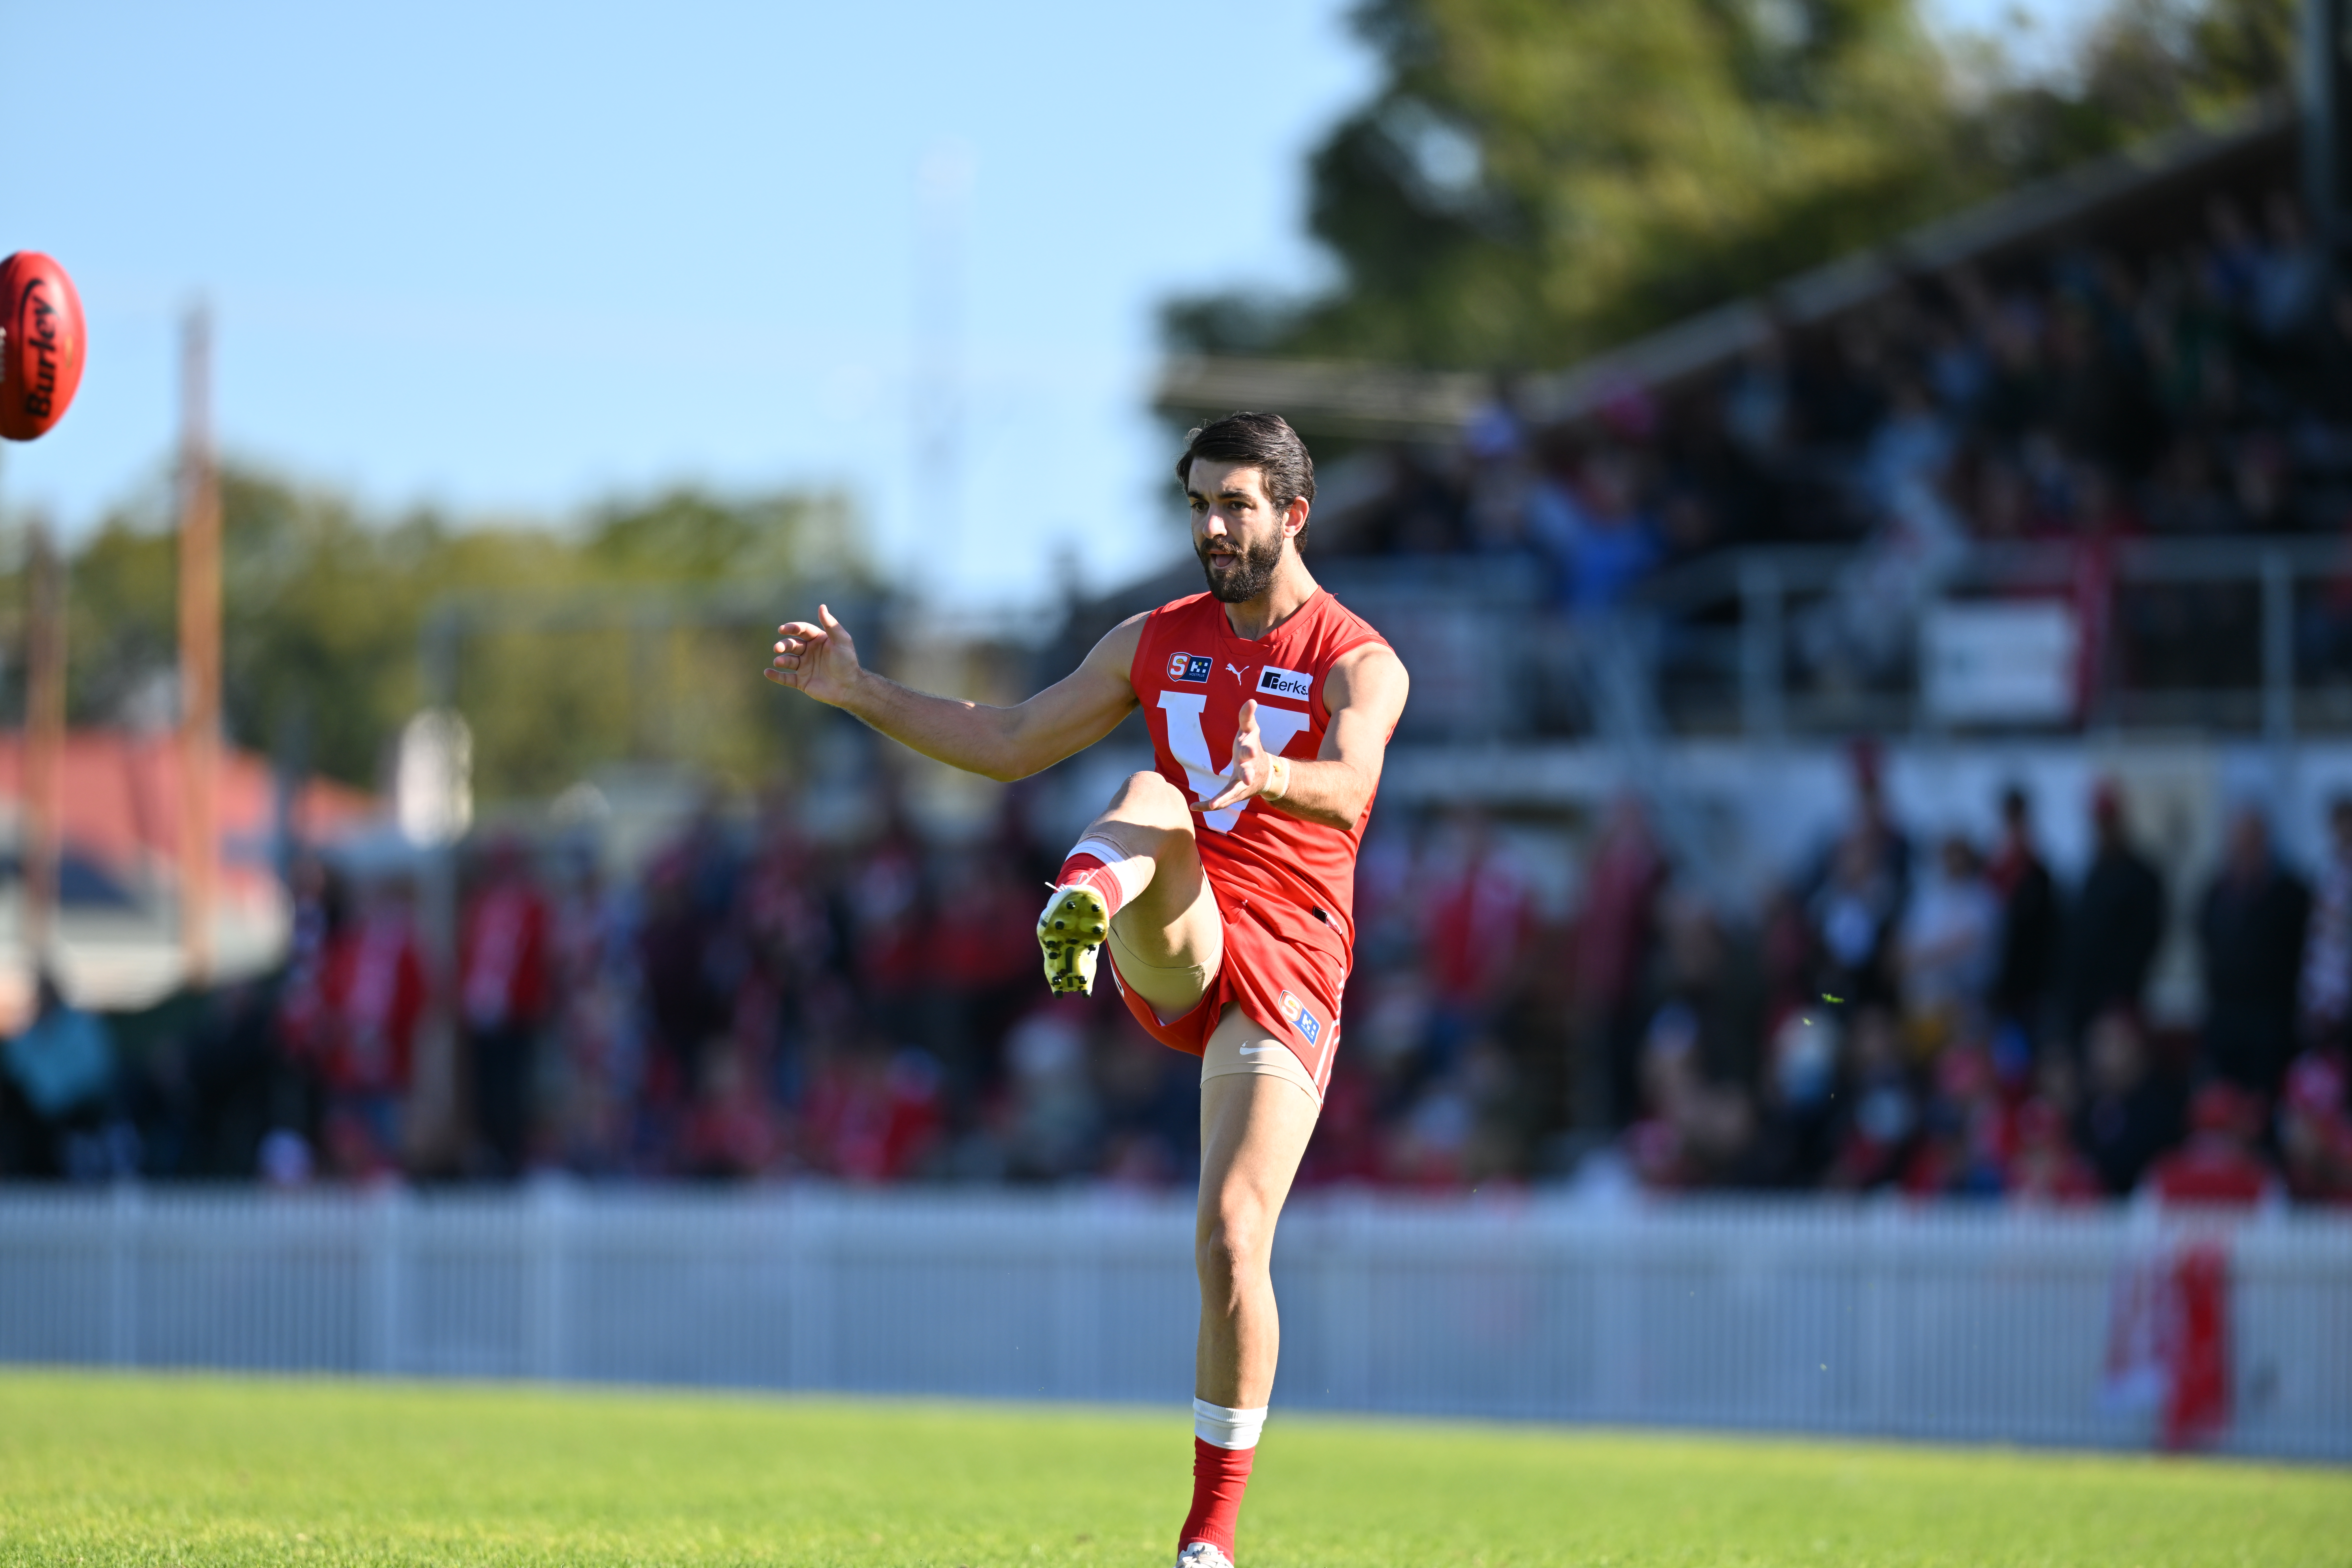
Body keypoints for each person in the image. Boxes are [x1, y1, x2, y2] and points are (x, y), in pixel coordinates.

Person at [765, 411, 1410, 1568]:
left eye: (1236, 505)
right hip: (1178, 918)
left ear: (1294, 515)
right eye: (1199, 504)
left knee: (1231, 1236)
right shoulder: (1153, 638)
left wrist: (1274, 773)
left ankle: (1209, 1538)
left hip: (1292, 955)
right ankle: (1081, 900)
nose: (1213, 527)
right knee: (1154, 792)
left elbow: (1354, 780)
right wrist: (859, 690)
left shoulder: (1360, 658)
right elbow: (1011, 738)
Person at [2197, 806, 2310, 1099]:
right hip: (2225, 1018)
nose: (2242, 851)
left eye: (2249, 842)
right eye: (2236, 843)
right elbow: (2205, 942)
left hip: (2270, 1022)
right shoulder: (2216, 893)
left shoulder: (2291, 895)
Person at [2064, 781, 2164, 1050]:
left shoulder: (2141, 877)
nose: (2102, 830)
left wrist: (2119, 993)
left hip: (2119, 1003)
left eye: (2107, 822)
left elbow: (2146, 940)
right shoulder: (2092, 873)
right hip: (2084, 1001)